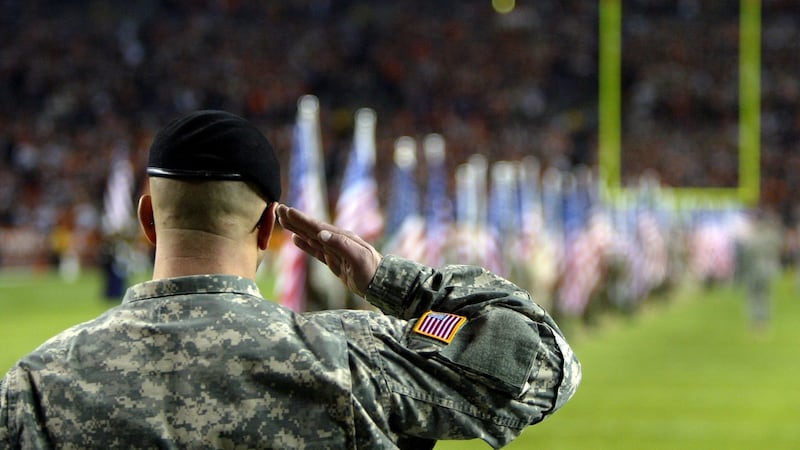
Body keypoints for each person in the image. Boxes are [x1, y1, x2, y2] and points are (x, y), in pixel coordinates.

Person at [0, 110, 581, 449]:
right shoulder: (347, 357)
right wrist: (394, 282)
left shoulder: (34, 387)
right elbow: (543, 363)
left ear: (147, 219)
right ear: (267, 230)